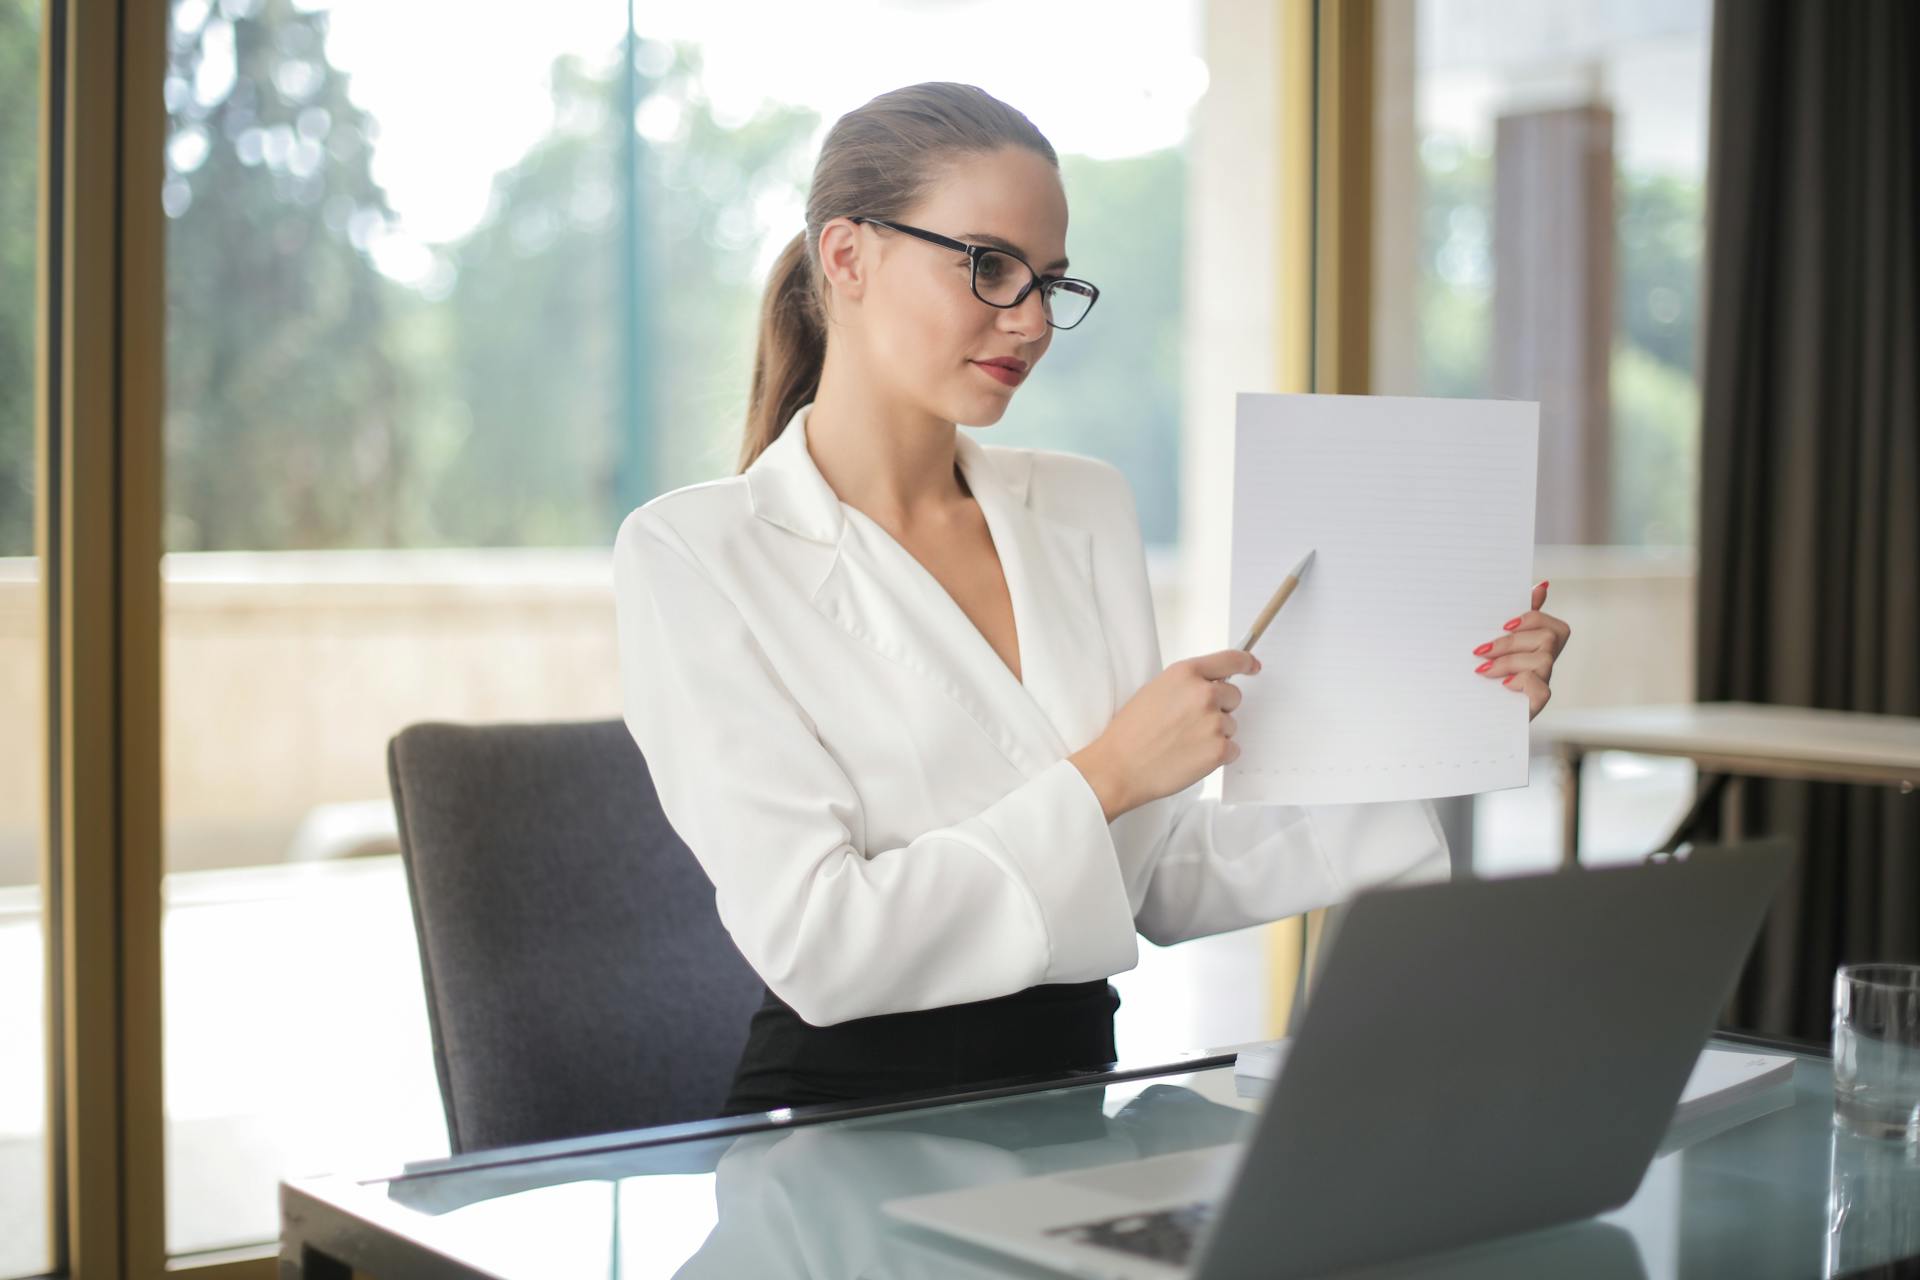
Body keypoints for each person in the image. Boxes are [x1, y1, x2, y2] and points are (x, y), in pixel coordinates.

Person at [612, 82, 1571, 1117]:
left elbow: (1154, 875)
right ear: (847, 257)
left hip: (1077, 1098)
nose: (1028, 320)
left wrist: (1447, 726)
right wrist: (1109, 771)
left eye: (1050, 282)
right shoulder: (696, 553)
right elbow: (820, 942)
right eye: (988, 266)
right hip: (850, 1125)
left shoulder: (1081, 506)